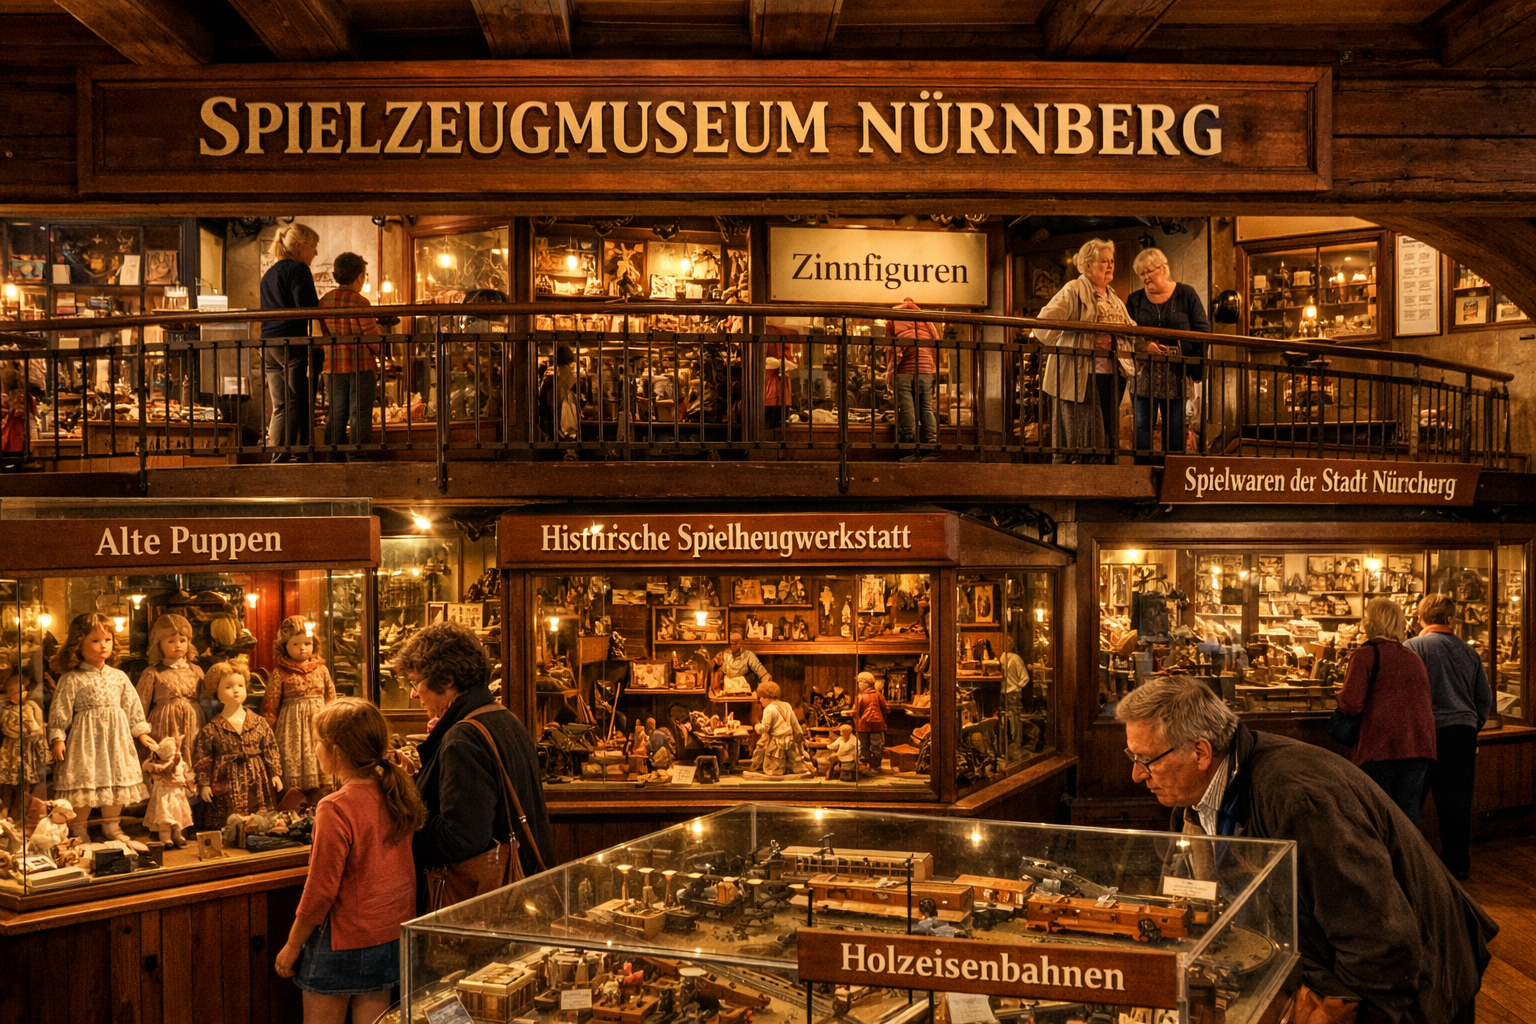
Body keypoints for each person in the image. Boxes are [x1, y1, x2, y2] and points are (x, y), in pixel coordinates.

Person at [1118, 676, 1494, 1024]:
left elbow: (1380, 939)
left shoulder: (1297, 798)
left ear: (1201, 751)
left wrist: (1338, 1009)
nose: (1136, 774)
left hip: (1418, 986)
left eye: (1146, 759)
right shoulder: (1196, 800)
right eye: (1132, 758)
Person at [275, 698, 426, 1024]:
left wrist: (291, 945)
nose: (314, 749)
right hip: (389, 935)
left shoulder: (335, 807)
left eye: (317, 742)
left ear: (337, 751)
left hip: (343, 941)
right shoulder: (396, 791)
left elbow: (320, 892)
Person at [393, 622, 553, 910]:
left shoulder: (462, 737)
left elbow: (462, 838)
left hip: (483, 903)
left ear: (447, 679)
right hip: (524, 890)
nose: (414, 694)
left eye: (415, 682)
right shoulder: (503, 717)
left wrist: (404, 823)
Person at [1405, 594, 1493, 880]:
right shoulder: (1469, 652)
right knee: (1457, 801)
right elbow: (1484, 698)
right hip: (1462, 734)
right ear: (1450, 619)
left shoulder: (1413, 647)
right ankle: (1457, 863)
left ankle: (1410, 863)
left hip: (1426, 732)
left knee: (1411, 799)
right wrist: (1471, 725)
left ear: (1420, 618)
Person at [1336, 598, 1437, 823]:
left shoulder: (1364, 655)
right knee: (1407, 817)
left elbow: (1351, 704)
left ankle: (1381, 858)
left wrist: (1339, 697)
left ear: (1369, 622)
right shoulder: (1413, 657)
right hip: (1419, 744)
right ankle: (1409, 858)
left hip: (1380, 745)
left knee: (1377, 814)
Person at [1037, 239, 1134, 464]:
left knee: (1106, 434)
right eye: (1103, 261)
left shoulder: (1113, 297)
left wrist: (1145, 345)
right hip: (1081, 372)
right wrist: (1084, 336)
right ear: (1088, 265)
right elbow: (1044, 323)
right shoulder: (1074, 289)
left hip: (1112, 374)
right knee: (1088, 435)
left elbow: (1130, 329)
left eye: (1111, 261)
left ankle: (1103, 486)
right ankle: (1084, 487)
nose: (1110, 266)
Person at [1124, 248, 1210, 463]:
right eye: (1140, 274)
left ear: (1163, 269)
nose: (1144, 278)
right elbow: (1126, 335)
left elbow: (1203, 329)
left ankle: (1174, 481)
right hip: (1144, 376)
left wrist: (1190, 360)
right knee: (1143, 428)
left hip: (1177, 375)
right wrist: (1145, 346)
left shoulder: (1186, 294)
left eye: (1148, 272)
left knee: (1175, 430)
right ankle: (1142, 482)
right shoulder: (1134, 300)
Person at [261, 223, 321, 462]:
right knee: (298, 400)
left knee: (281, 404)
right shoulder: (299, 269)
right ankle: (295, 455)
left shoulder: (270, 273)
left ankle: (276, 457)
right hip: (291, 342)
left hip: (268, 344)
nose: (315, 253)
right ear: (299, 246)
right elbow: (306, 307)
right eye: (314, 247)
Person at [318, 251, 381, 463]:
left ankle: (333, 458)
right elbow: (373, 339)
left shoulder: (324, 301)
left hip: (332, 366)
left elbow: (323, 334)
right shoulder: (360, 302)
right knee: (359, 414)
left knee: (335, 414)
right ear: (360, 277)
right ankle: (357, 458)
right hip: (361, 366)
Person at [883, 297, 941, 461]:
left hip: (905, 371)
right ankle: (932, 446)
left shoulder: (893, 321)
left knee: (906, 410)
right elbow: (936, 345)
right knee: (926, 409)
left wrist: (890, 374)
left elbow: (891, 348)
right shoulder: (926, 322)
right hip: (926, 371)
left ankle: (910, 449)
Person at [854, 672, 888, 775]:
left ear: (866, 683)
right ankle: (873, 766)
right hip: (874, 727)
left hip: (864, 727)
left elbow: (856, 712)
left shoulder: (861, 697)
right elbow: (885, 710)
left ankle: (869, 766)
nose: (859, 685)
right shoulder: (878, 695)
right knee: (874, 746)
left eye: (860, 682)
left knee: (867, 746)